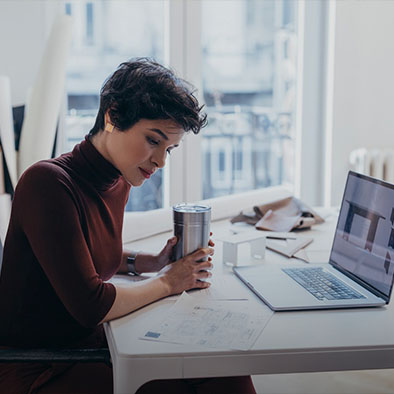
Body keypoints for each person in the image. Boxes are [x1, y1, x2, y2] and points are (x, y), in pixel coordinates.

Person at [0, 58, 256, 394]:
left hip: (88, 348)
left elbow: (82, 256)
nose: (161, 161)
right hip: (41, 368)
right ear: (112, 115)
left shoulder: (117, 180)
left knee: (225, 368)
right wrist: (168, 282)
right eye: (153, 140)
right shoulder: (47, 183)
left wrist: (151, 262)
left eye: (170, 149)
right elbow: (91, 305)